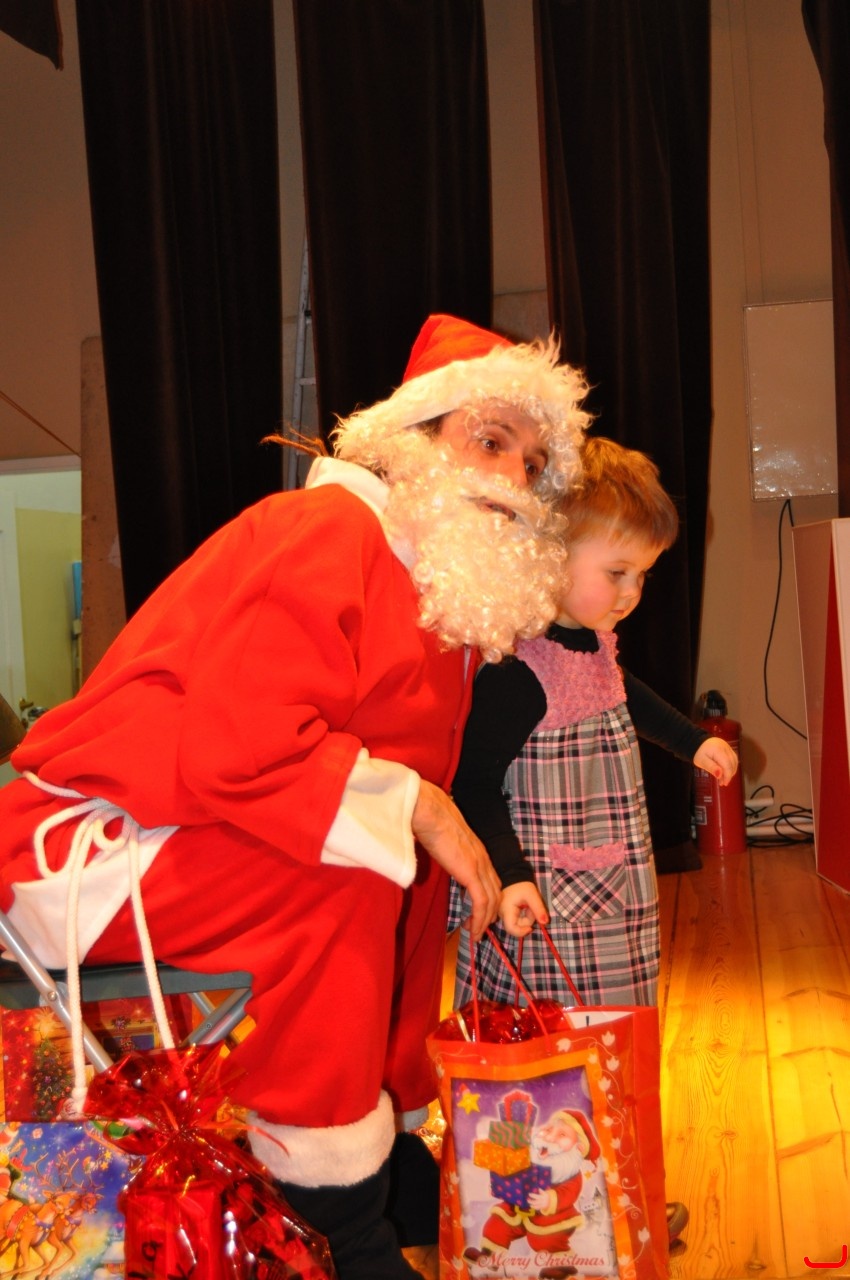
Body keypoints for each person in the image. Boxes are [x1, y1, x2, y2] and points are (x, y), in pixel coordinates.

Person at [0, 313, 591, 1280]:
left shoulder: (430, 599)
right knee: (342, 860)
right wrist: (422, 808)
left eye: (530, 463)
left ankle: (384, 1167)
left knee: (386, 871)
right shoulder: (322, 532)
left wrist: (418, 823)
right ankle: (334, 1214)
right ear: (412, 442)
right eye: (490, 441)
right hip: (88, 846)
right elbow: (238, 751)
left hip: (190, 838)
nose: (512, 480)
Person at [449, 436, 739, 1248]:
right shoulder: (516, 672)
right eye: (617, 573)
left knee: (617, 1051)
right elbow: (473, 786)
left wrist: (692, 741)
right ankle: (550, 1220)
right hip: (546, 916)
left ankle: (620, 1199)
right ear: (548, 553)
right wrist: (509, 876)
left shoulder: (594, 647)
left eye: (642, 575)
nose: (632, 593)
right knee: (554, 1063)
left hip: (612, 910)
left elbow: (629, 697)